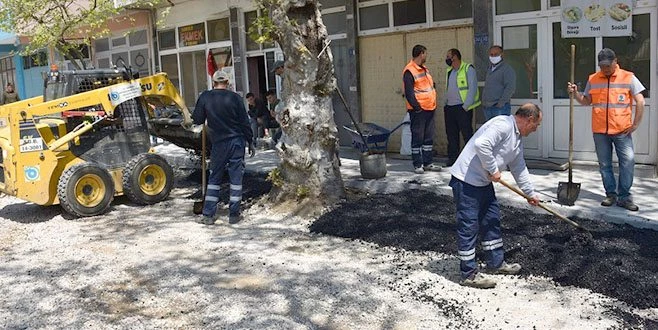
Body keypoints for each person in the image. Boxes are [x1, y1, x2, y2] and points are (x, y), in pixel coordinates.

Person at [449, 103, 542, 289]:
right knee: (469, 225)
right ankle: (468, 273)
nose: (536, 129)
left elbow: (519, 167)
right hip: (467, 181)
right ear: (529, 119)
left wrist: (529, 193)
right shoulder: (503, 125)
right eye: (536, 125)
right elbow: (481, 144)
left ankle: (496, 263)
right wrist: (493, 169)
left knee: (491, 220)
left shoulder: (516, 138)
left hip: (482, 182)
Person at [567, 48, 645, 211]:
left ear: (615, 61)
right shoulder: (593, 79)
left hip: (622, 131)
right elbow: (586, 101)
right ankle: (611, 194)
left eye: (608, 66)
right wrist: (575, 94)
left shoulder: (628, 77)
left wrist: (635, 124)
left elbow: (640, 101)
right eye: (602, 66)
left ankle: (624, 197)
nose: (605, 69)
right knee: (604, 164)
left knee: (628, 162)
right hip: (600, 131)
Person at [192, 70, 255, 225]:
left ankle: (208, 215)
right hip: (236, 141)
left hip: (219, 143)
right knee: (236, 178)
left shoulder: (205, 97)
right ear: (228, 83)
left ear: (213, 83)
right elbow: (244, 123)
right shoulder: (235, 98)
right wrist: (250, 141)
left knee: (214, 178)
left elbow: (197, 119)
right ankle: (234, 215)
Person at [403, 44, 442, 174]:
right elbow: (409, 93)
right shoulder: (410, 70)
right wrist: (417, 108)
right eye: (425, 53)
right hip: (419, 110)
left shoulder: (424, 69)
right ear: (421, 54)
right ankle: (417, 164)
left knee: (428, 138)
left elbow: (429, 85)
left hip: (430, 108)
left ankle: (428, 162)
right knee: (417, 137)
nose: (426, 56)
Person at [444, 48, 480, 167]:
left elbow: (472, 88)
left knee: (467, 134)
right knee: (451, 135)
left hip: (462, 108)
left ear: (455, 57)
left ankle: (471, 159)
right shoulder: (449, 71)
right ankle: (453, 158)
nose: (447, 59)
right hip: (450, 108)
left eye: (448, 56)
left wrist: (465, 106)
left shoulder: (468, 69)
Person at [482, 45, 516, 121]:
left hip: (499, 108)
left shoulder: (507, 69)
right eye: (491, 55)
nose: (493, 57)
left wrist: (501, 103)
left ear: (502, 54)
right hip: (487, 108)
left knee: (501, 131)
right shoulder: (490, 69)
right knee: (491, 131)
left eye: (496, 54)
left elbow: (510, 88)